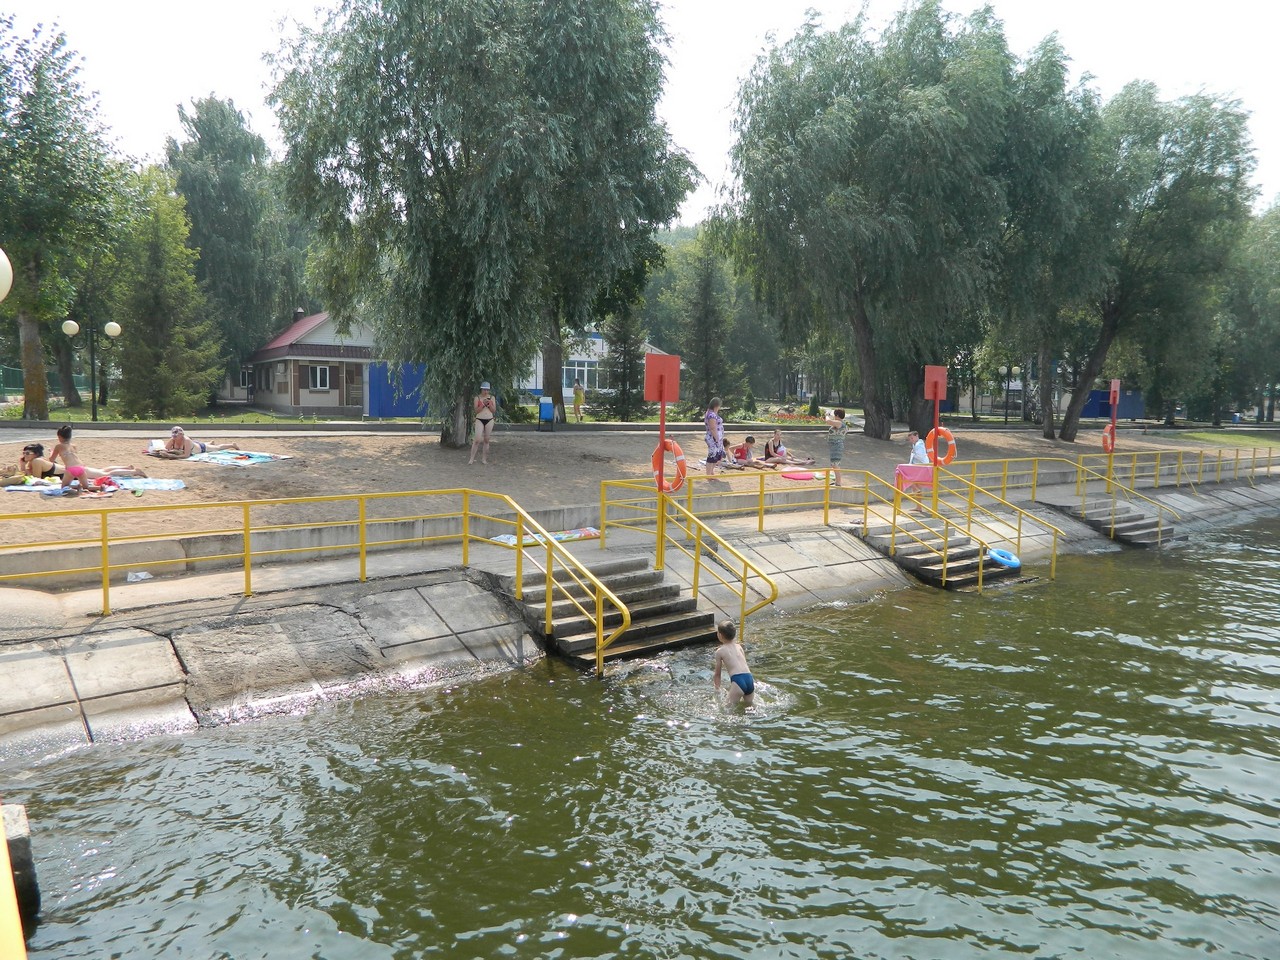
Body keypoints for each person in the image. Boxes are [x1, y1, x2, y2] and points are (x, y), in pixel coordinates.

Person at [49, 425, 147, 488]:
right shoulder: (73, 446)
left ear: (60, 437)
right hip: (81, 467)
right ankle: (126, 467)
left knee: (105, 474)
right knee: (102, 470)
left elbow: (51, 459)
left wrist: (52, 452)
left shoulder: (59, 446)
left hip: (73, 469)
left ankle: (134, 472)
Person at [712, 619, 755, 708]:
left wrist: (717, 689)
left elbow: (717, 674)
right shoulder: (739, 647)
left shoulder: (720, 651)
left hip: (738, 680)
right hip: (749, 678)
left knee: (727, 709)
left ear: (720, 635)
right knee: (749, 708)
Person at [146, 426, 239, 460]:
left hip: (200, 448)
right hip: (194, 444)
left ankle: (232, 445)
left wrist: (172, 456)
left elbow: (186, 455)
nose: (174, 437)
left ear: (181, 435)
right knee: (203, 444)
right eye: (174, 435)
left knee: (217, 448)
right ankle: (210, 442)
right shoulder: (172, 439)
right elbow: (166, 449)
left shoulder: (186, 440)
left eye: (176, 435)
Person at [469, 381, 497, 465]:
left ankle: (484, 459)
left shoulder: (492, 397)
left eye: (487, 390)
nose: (486, 391)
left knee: (486, 439)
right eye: (484, 390)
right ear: (481, 389)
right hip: (479, 419)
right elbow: (476, 411)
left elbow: (493, 410)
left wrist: (489, 405)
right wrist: (483, 404)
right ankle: (471, 459)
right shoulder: (477, 398)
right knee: (477, 439)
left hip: (489, 419)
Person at [824, 408, 849, 485]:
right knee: (834, 464)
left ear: (837, 415)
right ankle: (837, 481)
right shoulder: (840, 423)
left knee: (835, 464)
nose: (834, 416)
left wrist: (826, 415)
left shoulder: (839, 423)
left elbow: (828, 421)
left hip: (836, 446)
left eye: (835, 415)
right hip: (835, 446)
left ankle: (838, 483)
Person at [703, 397, 726, 477]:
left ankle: (711, 472)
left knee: (716, 456)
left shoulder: (713, 413)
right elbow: (713, 428)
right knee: (712, 456)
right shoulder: (711, 415)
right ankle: (708, 474)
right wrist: (716, 438)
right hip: (713, 438)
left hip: (717, 438)